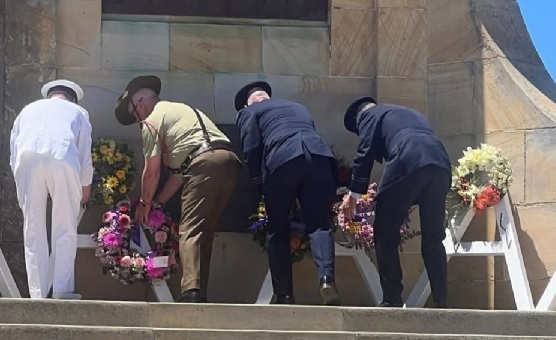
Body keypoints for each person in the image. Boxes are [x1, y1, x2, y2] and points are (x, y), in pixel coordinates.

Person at [115, 75, 241, 303]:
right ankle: (199, 291)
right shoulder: (180, 110)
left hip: (202, 165)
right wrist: (158, 204)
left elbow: (152, 172)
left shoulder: (151, 121)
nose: (137, 119)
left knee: (189, 230)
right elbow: (178, 174)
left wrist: (144, 204)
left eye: (134, 114)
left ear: (140, 104)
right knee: (204, 232)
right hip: (228, 162)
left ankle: (191, 291)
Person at [341, 97, 452, 309]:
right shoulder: (406, 113)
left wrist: (353, 194)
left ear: (358, 119)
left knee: (384, 230)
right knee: (433, 236)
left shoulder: (369, 116)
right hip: (440, 161)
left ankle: (392, 298)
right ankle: (441, 300)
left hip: (408, 157)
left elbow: (364, 152)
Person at [235, 81, 339, 306]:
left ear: (248, 104)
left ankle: (284, 294)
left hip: (283, 161)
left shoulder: (250, 112)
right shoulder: (297, 107)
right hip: (320, 158)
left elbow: (251, 148)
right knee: (319, 224)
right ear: (267, 97)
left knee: (277, 228)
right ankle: (326, 278)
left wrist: (259, 183)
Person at [10, 79, 93, 300]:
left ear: (50, 95)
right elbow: (84, 155)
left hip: (26, 160)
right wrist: (85, 188)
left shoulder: (27, 110)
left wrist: (22, 183)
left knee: (33, 228)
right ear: (72, 99)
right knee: (65, 225)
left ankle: (36, 293)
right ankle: (61, 290)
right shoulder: (78, 112)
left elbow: (14, 150)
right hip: (62, 158)